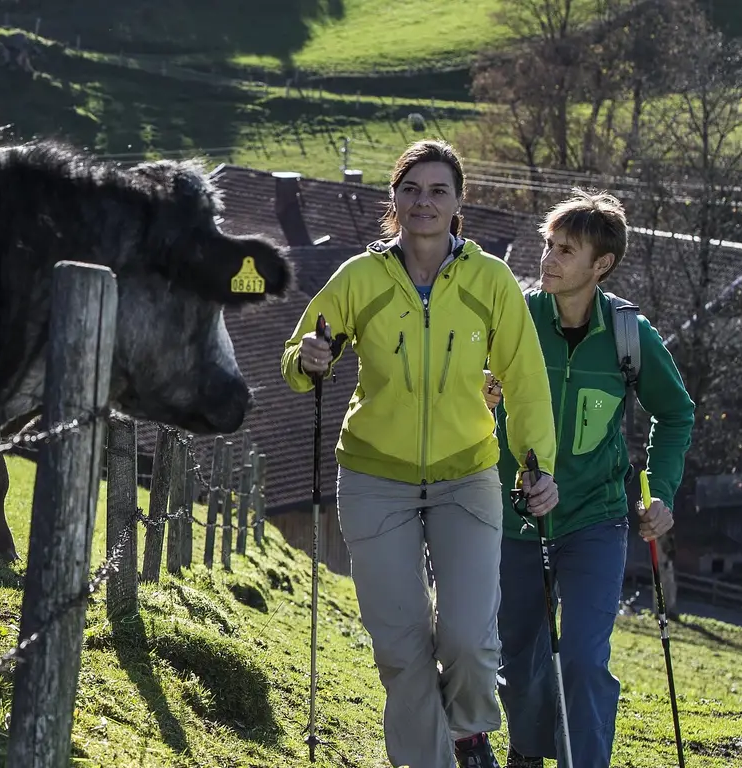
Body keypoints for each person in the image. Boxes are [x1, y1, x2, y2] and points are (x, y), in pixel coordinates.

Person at [281, 138, 560, 768]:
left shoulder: (489, 282)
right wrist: (310, 358)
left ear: (459, 202)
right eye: (411, 189)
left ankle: (466, 732)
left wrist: (536, 467)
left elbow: (526, 381)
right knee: (403, 649)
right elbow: (300, 357)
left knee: (465, 639)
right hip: (375, 478)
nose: (423, 202)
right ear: (394, 200)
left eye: (438, 190)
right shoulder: (360, 278)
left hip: (469, 476)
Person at [491, 190, 694, 768]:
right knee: (517, 659)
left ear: (600, 266)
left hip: (594, 521)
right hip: (515, 521)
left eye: (566, 250)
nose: (548, 260)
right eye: (548, 245)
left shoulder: (630, 337)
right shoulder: (516, 319)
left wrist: (661, 495)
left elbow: (676, 413)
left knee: (581, 658)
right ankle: (528, 754)